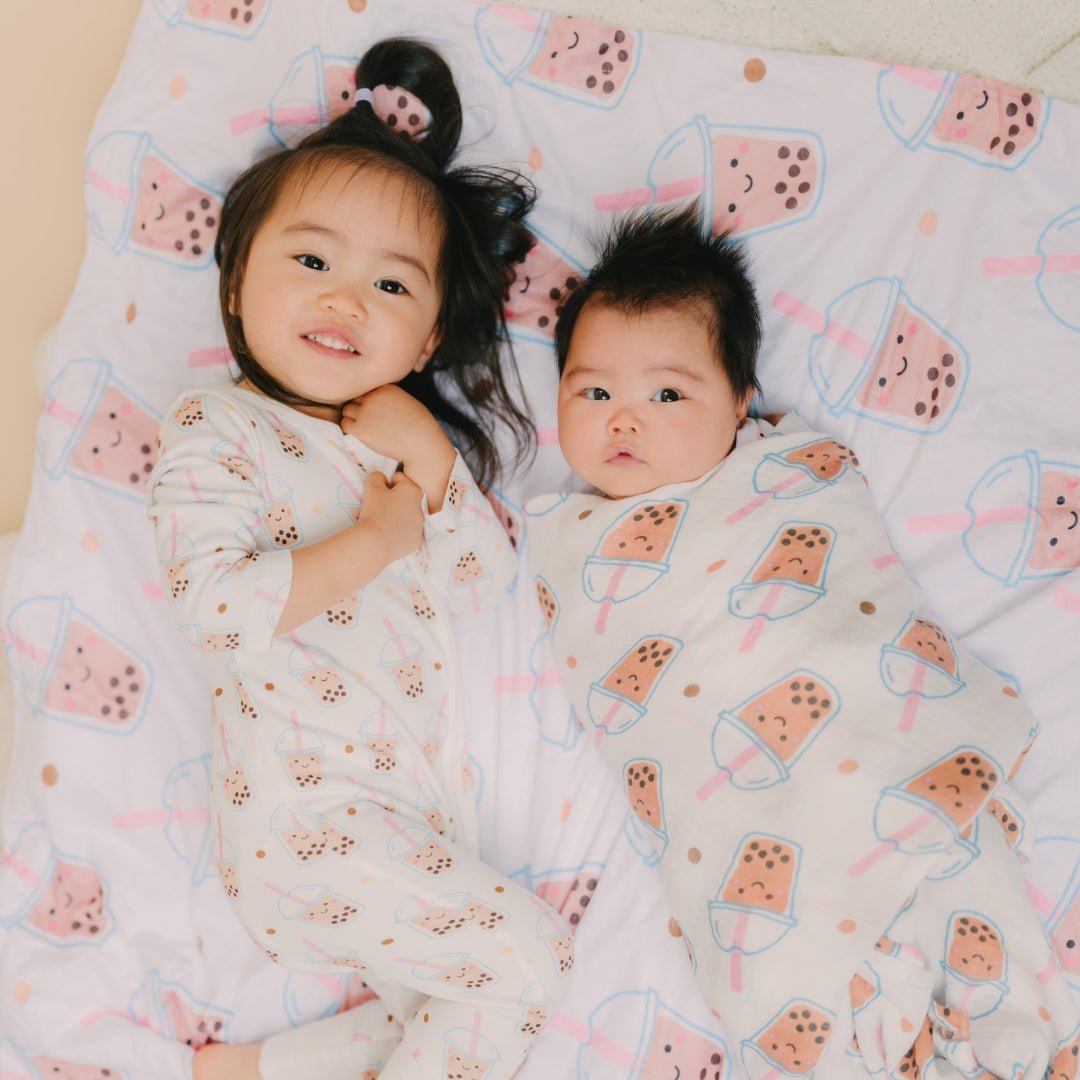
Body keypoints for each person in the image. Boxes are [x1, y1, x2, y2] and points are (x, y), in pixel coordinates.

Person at [525, 205, 1078, 1076]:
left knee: (967, 889)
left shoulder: (792, 479)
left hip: (888, 751)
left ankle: (1030, 1041)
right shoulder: (564, 544)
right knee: (802, 1003)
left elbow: (855, 595)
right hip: (737, 817)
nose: (624, 419)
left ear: (741, 401)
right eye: (594, 393)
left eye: (667, 393)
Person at [147, 38, 573, 1080]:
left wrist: (430, 462)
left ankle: (252, 1072)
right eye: (310, 261)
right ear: (237, 285)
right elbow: (215, 606)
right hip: (303, 821)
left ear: (426, 341)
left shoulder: (394, 448)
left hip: (393, 818)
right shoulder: (217, 429)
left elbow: (473, 585)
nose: (346, 300)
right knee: (530, 957)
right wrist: (378, 537)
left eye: (391, 284)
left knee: (460, 993)